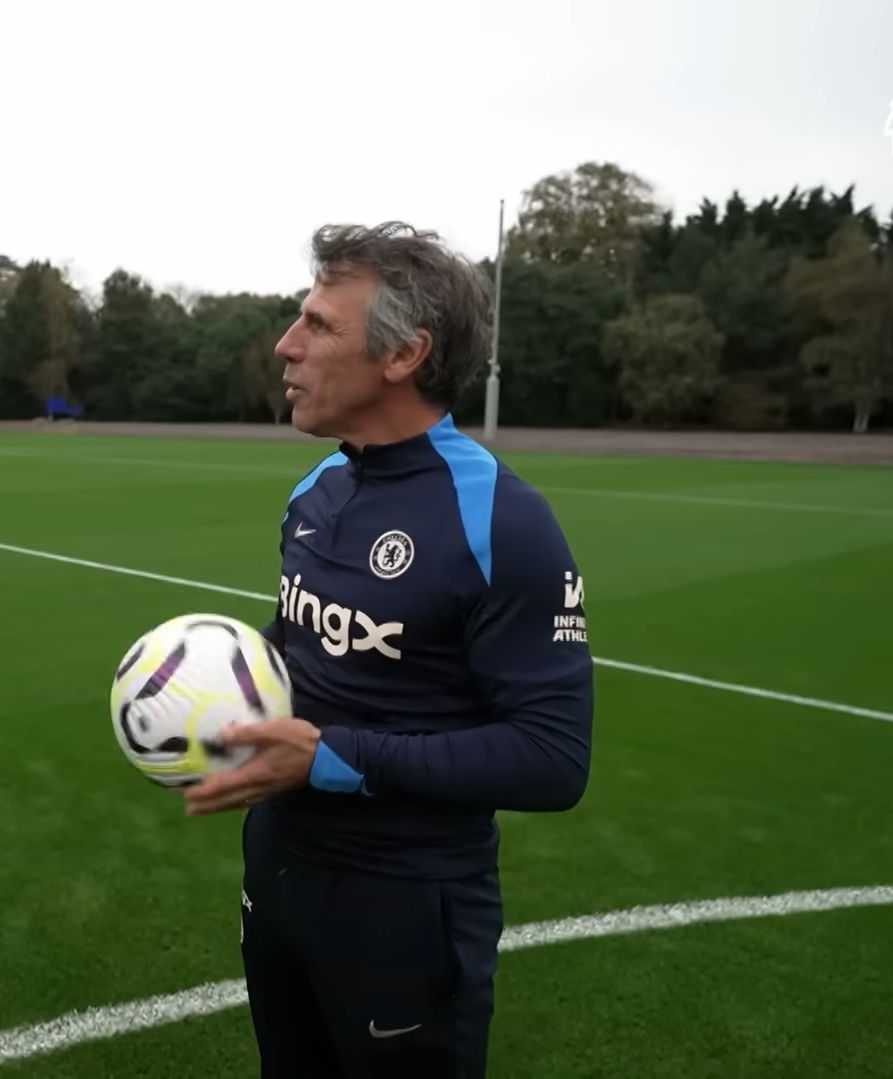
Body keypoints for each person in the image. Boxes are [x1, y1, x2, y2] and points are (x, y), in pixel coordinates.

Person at [183, 222, 594, 1077]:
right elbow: (297, 643)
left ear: (403, 354)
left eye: (319, 326)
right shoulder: (318, 487)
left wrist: (330, 757)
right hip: (279, 868)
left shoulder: (502, 521)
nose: (285, 344)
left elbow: (553, 759)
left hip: (405, 905)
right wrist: (207, 675)